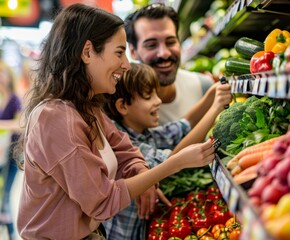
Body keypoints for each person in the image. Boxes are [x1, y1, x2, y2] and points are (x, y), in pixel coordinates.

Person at [15, 4, 216, 239]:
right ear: (88, 52)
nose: (127, 65)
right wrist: (174, 164)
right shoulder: (55, 119)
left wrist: (142, 173)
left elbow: (125, 150)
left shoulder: (87, 108)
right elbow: (102, 201)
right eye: (120, 53)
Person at [101, 62, 231, 239]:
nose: (158, 101)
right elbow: (174, 159)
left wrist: (209, 96)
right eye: (149, 96)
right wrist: (216, 108)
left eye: (156, 93)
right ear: (122, 106)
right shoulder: (126, 143)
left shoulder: (144, 133)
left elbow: (181, 127)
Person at [124, 3, 215, 125]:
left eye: (170, 42)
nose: (164, 53)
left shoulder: (204, 87)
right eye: (151, 45)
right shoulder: (125, 108)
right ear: (133, 51)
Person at [0, 60, 22, 240]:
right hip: (1, 154)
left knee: (6, 195)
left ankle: (13, 234)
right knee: (2, 196)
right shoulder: (1, 98)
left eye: (2, 73)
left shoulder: (15, 99)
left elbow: (20, 125)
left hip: (12, 156)